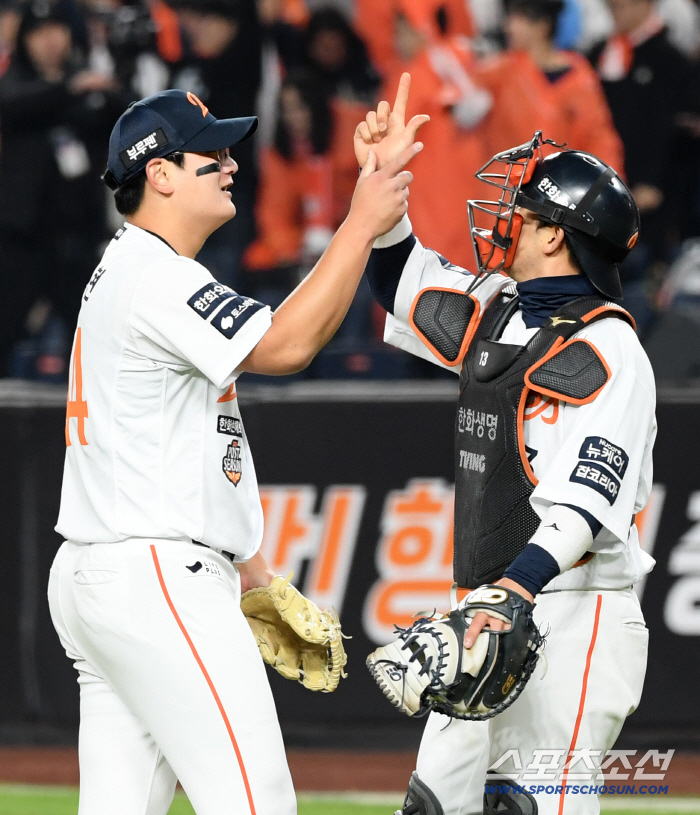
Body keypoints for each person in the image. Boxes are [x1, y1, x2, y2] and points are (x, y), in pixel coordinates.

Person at [47, 83, 423, 815]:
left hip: (108, 571)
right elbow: (288, 345)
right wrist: (360, 221)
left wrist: (249, 567)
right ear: (159, 175)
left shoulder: (130, 268)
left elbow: (189, 434)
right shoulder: (157, 277)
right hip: (152, 574)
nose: (231, 165)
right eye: (210, 155)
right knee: (257, 801)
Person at [356, 102, 655, 813]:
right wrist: (382, 184)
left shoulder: (612, 348)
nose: (503, 216)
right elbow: (398, 282)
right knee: (433, 805)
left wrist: (513, 590)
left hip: (574, 612)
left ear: (555, 235)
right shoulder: (500, 308)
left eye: (523, 208)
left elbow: (586, 501)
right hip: (490, 609)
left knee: (525, 806)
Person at [475, 0, 623, 171]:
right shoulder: (500, 71)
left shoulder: (580, 76)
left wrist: (606, 181)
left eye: (519, 18)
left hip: (564, 181)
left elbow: (599, 137)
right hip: (510, 182)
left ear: (542, 25)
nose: (509, 27)